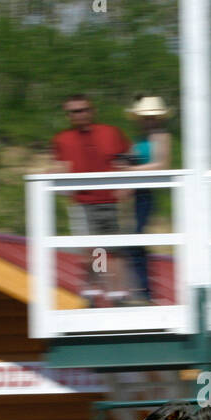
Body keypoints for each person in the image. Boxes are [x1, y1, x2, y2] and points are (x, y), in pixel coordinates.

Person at [51, 93, 132, 307]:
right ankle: (93, 292)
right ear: (68, 115)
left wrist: (127, 185)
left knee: (113, 250)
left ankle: (116, 295)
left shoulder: (110, 133)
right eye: (74, 111)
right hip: (83, 202)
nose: (80, 114)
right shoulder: (62, 139)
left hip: (111, 201)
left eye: (84, 109)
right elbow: (60, 167)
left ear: (92, 110)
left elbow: (126, 159)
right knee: (91, 251)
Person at [122, 95, 173, 305]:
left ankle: (145, 292)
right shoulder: (141, 138)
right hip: (136, 192)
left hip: (147, 193)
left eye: (152, 117)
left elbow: (162, 165)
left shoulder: (161, 136)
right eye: (145, 117)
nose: (148, 120)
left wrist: (132, 168)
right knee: (132, 241)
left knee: (137, 239)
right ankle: (138, 290)